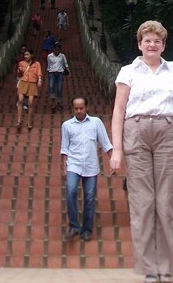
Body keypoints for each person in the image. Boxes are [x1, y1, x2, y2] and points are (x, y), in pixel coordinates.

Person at [110, 21, 173, 283]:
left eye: (157, 41)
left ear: (164, 45)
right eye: (147, 40)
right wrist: (116, 149)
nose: (151, 45)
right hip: (136, 131)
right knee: (142, 202)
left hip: (168, 131)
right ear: (139, 44)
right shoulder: (128, 71)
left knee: (165, 201)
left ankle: (166, 266)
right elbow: (119, 110)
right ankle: (149, 269)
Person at [60, 97, 113, 243]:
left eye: (81, 108)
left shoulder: (96, 123)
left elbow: (106, 144)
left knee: (89, 197)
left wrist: (113, 160)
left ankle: (87, 230)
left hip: (91, 166)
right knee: (70, 190)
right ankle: (74, 227)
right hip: (73, 164)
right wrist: (63, 167)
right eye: (76, 108)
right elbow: (64, 148)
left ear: (86, 108)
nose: (79, 111)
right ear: (73, 109)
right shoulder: (67, 125)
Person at [15, 50, 42, 130]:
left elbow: (39, 73)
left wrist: (39, 80)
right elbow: (19, 74)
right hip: (23, 82)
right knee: (20, 100)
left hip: (32, 83)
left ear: (31, 55)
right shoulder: (21, 63)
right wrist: (19, 71)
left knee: (30, 102)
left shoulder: (37, 64)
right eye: (25, 55)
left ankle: (29, 121)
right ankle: (19, 121)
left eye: (27, 54)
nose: (26, 56)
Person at [46, 43, 70, 113]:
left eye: (58, 50)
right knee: (51, 86)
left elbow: (65, 64)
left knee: (59, 88)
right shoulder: (49, 56)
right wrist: (49, 71)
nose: (57, 51)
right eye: (56, 49)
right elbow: (49, 64)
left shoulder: (62, 56)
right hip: (52, 72)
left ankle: (59, 102)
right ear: (53, 49)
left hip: (60, 73)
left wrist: (68, 71)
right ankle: (53, 101)